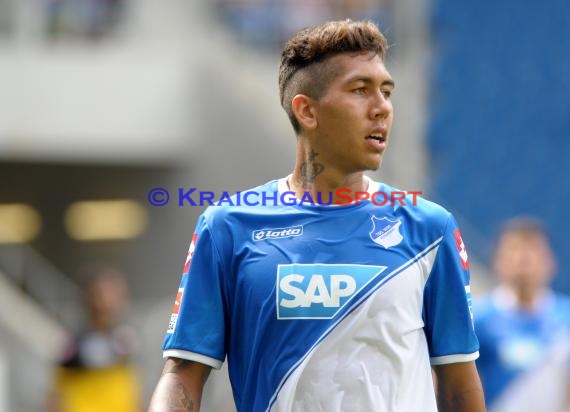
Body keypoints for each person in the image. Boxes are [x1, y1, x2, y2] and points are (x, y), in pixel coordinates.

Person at [149, 19, 485, 412]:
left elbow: (459, 380)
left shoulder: (430, 228)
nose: (382, 108)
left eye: (387, 91)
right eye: (361, 90)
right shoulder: (227, 227)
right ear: (307, 111)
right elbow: (182, 375)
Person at [475, 216, 570, 412]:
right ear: (497, 261)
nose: (523, 258)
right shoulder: (477, 319)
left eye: (532, 250)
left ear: (550, 262)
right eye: (514, 250)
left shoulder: (566, 319)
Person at [44, 265, 141, 412]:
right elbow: (58, 388)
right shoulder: (72, 342)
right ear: (90, 296)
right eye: (106, 292)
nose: (113, 300)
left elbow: (132, 386)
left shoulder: (125, 338)